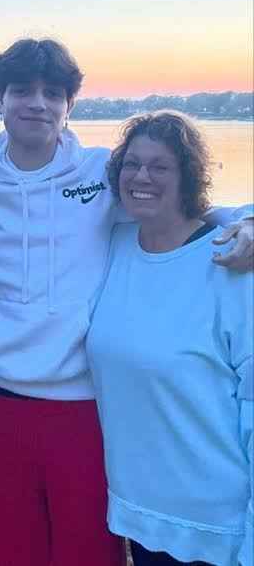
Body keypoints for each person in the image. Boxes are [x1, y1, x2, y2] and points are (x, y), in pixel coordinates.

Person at [0, 41, 253, 566]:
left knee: (88, 553)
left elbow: (175, 205)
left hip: (85, 408)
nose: (37, 104)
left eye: (54, 92)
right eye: (22, 90)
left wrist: (244, 220)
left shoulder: (99, 176)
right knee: (9, 553)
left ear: (71, 104)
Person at [86, 111, 253, 566]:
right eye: (132, 164)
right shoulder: (114, 245)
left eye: (160, 167)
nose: (142, 176)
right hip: (139, 514)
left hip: (217, 527)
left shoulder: (232, 261)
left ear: (188, 177)